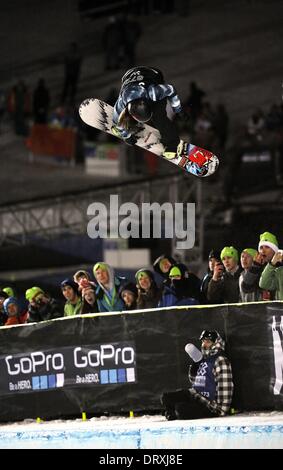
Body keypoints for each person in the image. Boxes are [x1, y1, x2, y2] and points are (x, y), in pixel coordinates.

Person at [161, 330, 234, 420]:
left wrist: (221, 410)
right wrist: (195, 366)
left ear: (216, 343)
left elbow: (225, 386)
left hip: (209, 404)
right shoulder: (203, 358)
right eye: (203, 341)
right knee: (166, 397)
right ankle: (173, 413)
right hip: (196, 395)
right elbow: (195, 381)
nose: (204, 344)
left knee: (181, 409)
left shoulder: (220, 360)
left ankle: (174, 413)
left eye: (208, 342)